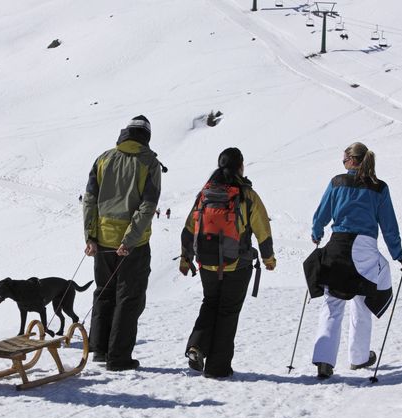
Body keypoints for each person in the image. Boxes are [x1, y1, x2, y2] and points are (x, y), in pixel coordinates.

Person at [304, 142, 402, 379]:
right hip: (364, 250)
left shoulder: (337, 182)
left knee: (333, 303)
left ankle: (324, 361)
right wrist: (399, 256)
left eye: (344, 159)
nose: (342, 163)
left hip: (338, 246)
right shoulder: (380, 188)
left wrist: (317, 233)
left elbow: (321, 215)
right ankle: (359, 357)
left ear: (353, 160)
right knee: (362, 300)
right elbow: (389, 226)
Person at [180, 147, 276, 378]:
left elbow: (189, 227)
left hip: (207, 263)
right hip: (237, 265)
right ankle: (217, 367)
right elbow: (262, 228)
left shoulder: (205, 194)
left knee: (210, 303)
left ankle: (197, 345)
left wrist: (186, 258)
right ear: (240, 166)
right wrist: (268, 258)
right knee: (228, 312)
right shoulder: (246, 194)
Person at [83, 115, 162, 371]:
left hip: (103, 240)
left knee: (104, 292)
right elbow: (147, 206)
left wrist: (90, 237)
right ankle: (118, 357)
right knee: (129, 298)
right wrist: (129, 239)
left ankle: (99, 349)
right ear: (146, 137)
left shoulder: (104, 158)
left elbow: (90, 200)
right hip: (133, 245)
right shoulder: (149, 163)